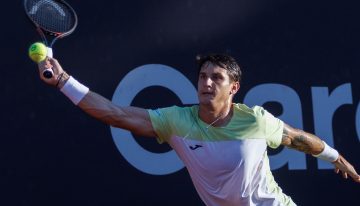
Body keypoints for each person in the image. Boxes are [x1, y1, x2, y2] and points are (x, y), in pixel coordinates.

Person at [37, 54, 360, 206]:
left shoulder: (257, 121)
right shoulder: (176, 121)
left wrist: (335, 156)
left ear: (233, 87)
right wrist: (64, 82)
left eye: (216, 77)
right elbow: (114, 113)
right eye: (202, 76)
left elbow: (299, 139)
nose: (206, 83)